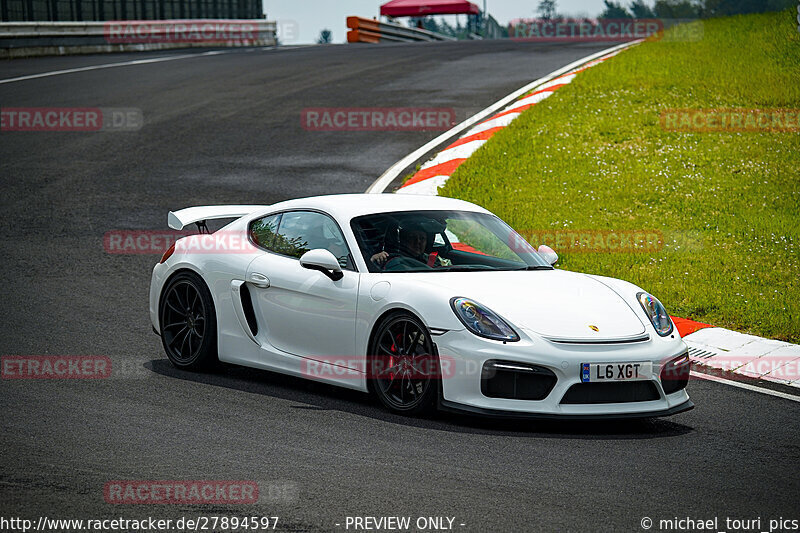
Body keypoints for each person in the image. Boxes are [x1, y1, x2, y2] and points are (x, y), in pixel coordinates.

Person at [371, 225, 450, 269]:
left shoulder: (434, 259)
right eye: (412, 238)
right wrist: (374, 259)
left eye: (422, 239)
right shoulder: (388, 258)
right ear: (404, 240)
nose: (418, 242)